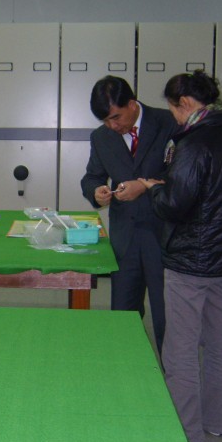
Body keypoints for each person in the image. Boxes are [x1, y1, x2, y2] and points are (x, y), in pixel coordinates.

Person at [139, 70, 222, 442]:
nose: (175, 118)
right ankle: (217, 421)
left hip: (191, 261)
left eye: (174, 110)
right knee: (220, 340)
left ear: (186, 104)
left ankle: (185, 430)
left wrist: (154, 188)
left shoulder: (193, 145)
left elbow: (174, 205)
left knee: (181, 347)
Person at [80, 76, 178, 352]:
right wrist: (96, 191)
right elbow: (92, 176)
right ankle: (126, 368)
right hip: (126, 238)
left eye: (116, 117)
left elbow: (183, 176)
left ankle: (171, 374)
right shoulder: (101, 137)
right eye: (106, 121)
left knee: (167, 315)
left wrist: (145, 187)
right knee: (123, 313)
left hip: (164, 234)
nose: (113, 126)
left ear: (132, 104)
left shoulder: (168, 123)